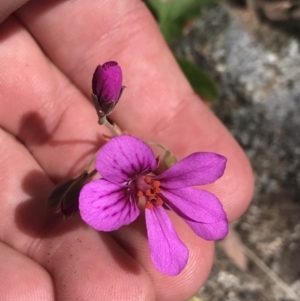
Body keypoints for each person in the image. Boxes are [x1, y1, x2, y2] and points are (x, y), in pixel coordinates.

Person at [0, 1, 254, 300]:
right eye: (150, 186)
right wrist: (105, 124)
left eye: (150, 188)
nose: (150, 190)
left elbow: (128, 172)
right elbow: (104, 198)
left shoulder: (146, 175)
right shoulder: (134, 168)